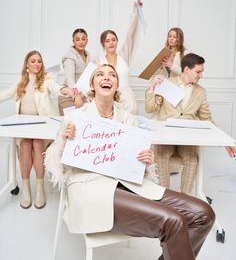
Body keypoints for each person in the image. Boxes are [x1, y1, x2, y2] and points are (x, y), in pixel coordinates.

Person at [45, 64, 215, 260]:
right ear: (92, 84)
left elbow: (136, 170)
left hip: (128, 186)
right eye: (100, 75)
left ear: (117, 85)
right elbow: (56, 167)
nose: (106, 78)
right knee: (174, 221)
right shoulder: (75, 118)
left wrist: (145, 162)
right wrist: (65, 143)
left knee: (204, 214)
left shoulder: (129, 120)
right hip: (91, 188)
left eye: (112, 75)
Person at [0, 50, 75, 209]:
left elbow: (57, 88)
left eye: (39, 61)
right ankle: (25, 187)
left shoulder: (46, 79)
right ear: (27, 64)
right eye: (33, 61)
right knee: (26, 145)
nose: (36, 64)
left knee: (38, 145)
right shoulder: (20, 81)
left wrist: (67, 90)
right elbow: (4, 94)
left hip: (43, 127)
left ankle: (40, 187)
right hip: (23, 127)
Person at [145, 53, 214, 195]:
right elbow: (150, 108)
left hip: (187, 137)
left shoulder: (201, 92)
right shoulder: (166, 83)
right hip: (165, 136)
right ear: (187, 70)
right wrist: (151, 88)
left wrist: (226, 143)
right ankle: (165, 196)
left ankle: (184, 198)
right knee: (160, 157)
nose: (200, 75)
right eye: (198, 71)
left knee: (192, 159)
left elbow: (207, 119)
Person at [99, 0, 142, 114]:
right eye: (107, 41)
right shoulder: (99, 61)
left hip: (127, 100)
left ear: (117, 42)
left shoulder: (124, 56)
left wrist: (135, 11)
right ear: (103, 44)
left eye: (113, 40)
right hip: (108, 100)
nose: (111, 43)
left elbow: (130, 35)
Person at [59, 28, 91, 115]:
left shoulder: (88, 56)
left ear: (87, 41)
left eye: (83, 39)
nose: (81, 42)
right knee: (70, 123)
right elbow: (70, 78)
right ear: (73, 41)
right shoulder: (69, 57)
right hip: (69, 96)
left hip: (83, 95)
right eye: (77, 39)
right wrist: (76, 96)